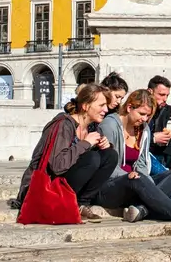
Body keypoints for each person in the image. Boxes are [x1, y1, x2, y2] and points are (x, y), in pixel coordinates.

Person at [94, 89, 171, 236]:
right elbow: (107, 164)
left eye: (148, 115)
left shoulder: (144, 130)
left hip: (136, 182)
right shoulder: (110, 125)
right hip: (110, 185)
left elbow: (142, 163)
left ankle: (142, 209)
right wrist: (130, 176)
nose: (144, 119)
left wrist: (146, 182)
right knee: (138, 180)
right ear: (129, 108)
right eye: (141, 114)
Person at [13, 83, 116, 221]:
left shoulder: (93, 127)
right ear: (85, 106)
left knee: (110, 155)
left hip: (66, 184)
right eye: (101, 105)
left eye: (106, 105)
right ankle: (73, 203)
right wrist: (85, 144)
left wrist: (105, 146)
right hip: (46, 186)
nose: (106, 109)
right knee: (92, 158)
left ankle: (81, 203)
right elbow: (57, 166)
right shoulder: (63, 124)